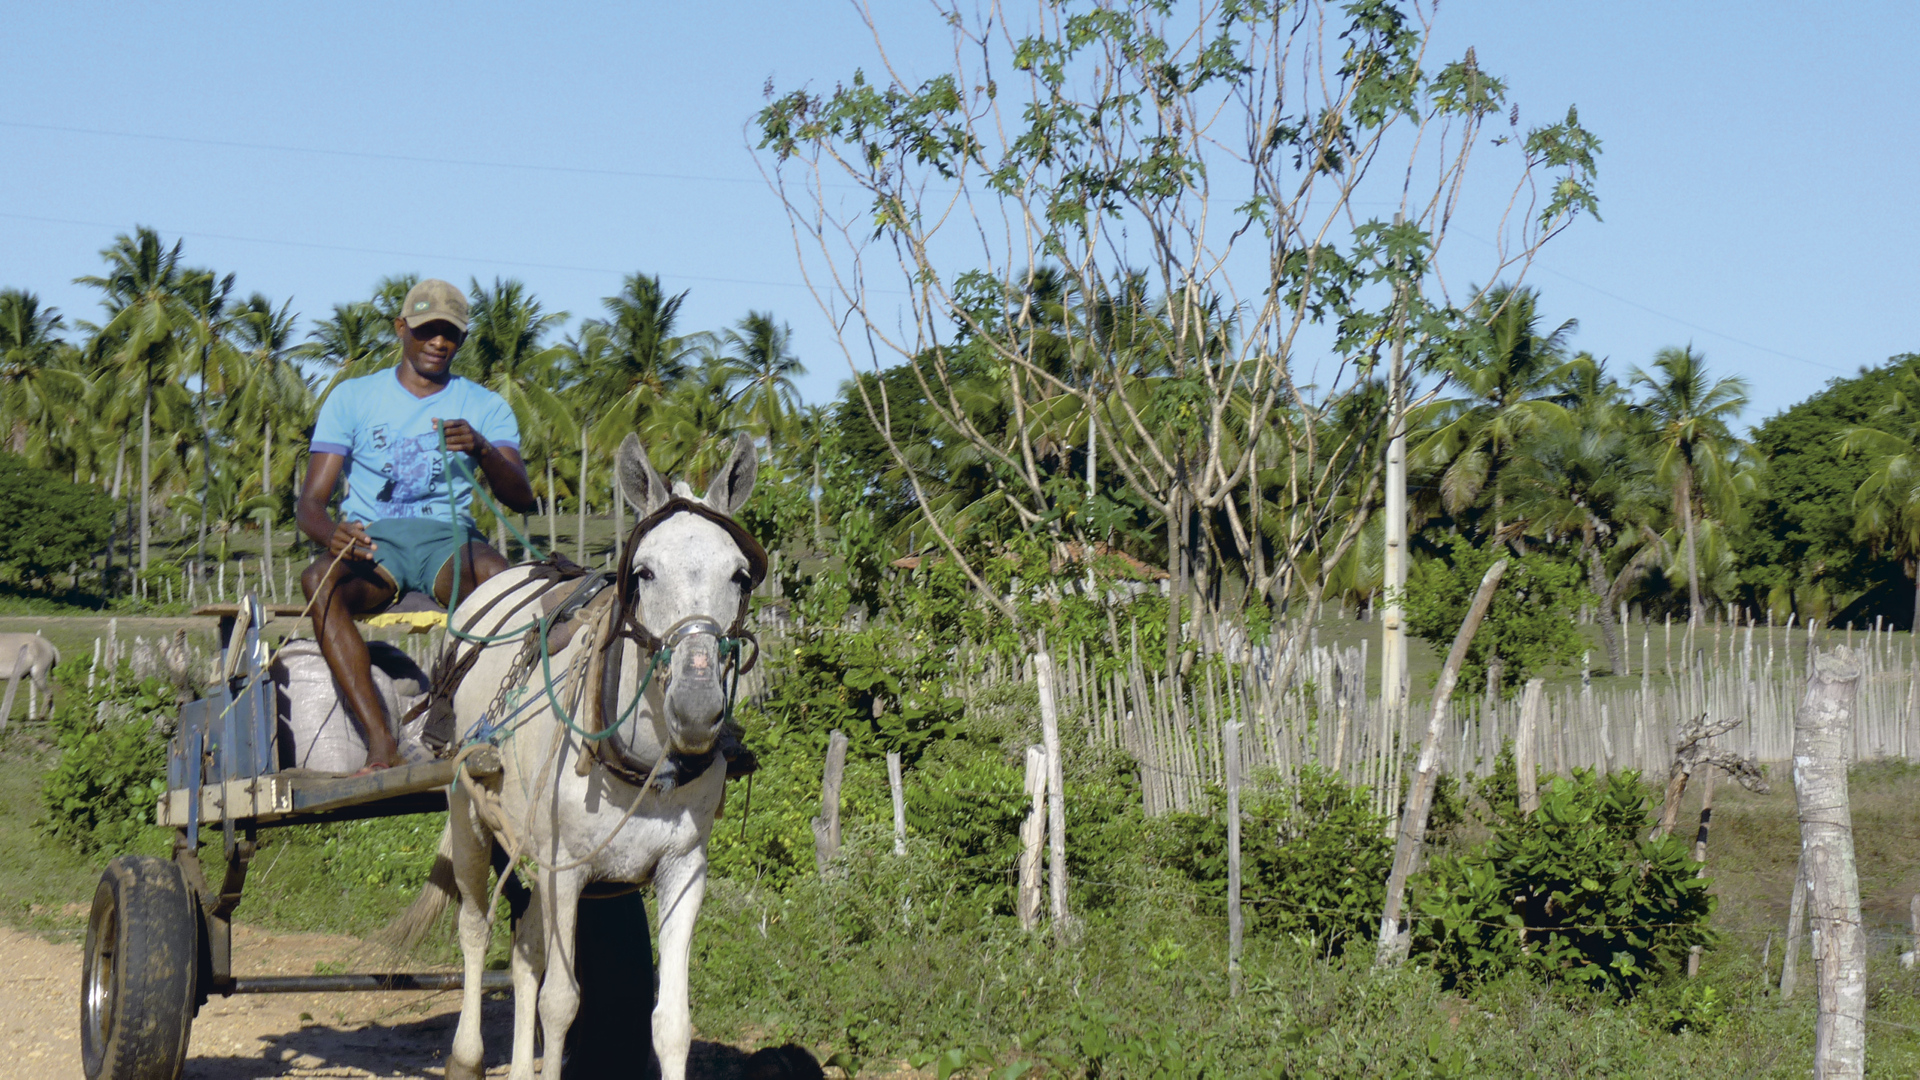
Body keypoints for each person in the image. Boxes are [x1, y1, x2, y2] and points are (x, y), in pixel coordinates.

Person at [296, 278, 537, 772]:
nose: (438, 342)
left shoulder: (486, 406)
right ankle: (380, 741)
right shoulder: (352, 398)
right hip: (373, 543)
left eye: (450, 333)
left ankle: (484, 724)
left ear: (462, 339)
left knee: (501, 579)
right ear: (401, 329)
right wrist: (330, 534)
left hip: (448, 543)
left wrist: (482, 449)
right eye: (426, 330)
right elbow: (310, 505)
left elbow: (522, 498)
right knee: (319, 580)